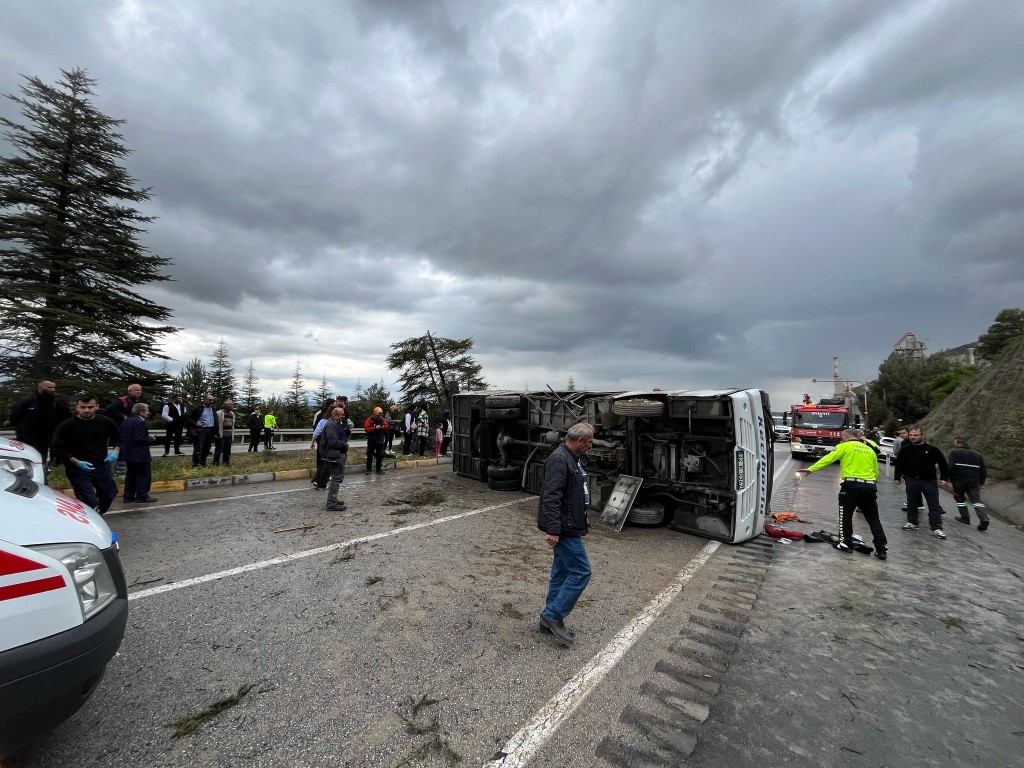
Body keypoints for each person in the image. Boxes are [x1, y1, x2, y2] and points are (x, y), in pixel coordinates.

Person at [537, 422, 595, 646]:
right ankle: (552, 616)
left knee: (561, 573)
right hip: (564, 527)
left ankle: (547, 618)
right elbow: (550, 496)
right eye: (589, 441)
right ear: (579, 440)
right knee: (581, 572)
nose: (591, 445)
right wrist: (553, 529)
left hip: (569, 525)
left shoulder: (572, 458)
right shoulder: (560, 459)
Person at [797, 429, 888, 559]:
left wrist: (811, 469)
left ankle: (846, 544)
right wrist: (870, 484)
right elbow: (875, 472)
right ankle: (881, 548)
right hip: (869, 486)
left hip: (851, 486)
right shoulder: (869, 450)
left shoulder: (844, 446)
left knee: (845, 516)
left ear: (845, 436)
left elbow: (829, 458)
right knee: (873, 518)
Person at [50, 393, 121, 514]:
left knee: (109, 494)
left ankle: (98, 514)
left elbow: (118, 437)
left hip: (101, 465)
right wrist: (76, 462)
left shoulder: (105, 422)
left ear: (97, 407)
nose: (86, 410)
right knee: (89, 500)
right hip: (77, 468)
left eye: (90, 407)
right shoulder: (67, 425)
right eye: (83, 407)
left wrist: (115, 451)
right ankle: (91, 517)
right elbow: (57, 448)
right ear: (76, 407)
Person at [893, 427, 950, 539]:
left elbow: (943, 464)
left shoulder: (933, 449)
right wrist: (897, 477)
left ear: (922, 436)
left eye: (916, 435)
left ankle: (937, 528)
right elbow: (899, 464)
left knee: (933, 505)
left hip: (929, 481)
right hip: (912, 480)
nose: (913, 437)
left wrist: (944, 478)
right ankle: (912, 522)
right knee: (911, 503)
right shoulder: (905, 449)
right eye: (911, 435)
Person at [9, 379, 71, 465]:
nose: (53, 390)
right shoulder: (28, 401)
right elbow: (15, 416)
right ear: (40, 387)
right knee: (28, 457)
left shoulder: (53, 402)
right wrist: (22, 430)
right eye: (49, 387)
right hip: (27, 436)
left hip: (44, 437)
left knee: (41, 458)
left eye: (54, 387)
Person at [947, 437, 989, 531]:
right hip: (974, 482)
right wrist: (981, 482)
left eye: (955, 443)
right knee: (976, 500)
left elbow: (950, 467)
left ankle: (965, 518)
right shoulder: (978, 454)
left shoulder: (954, 452)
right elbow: (983, 471)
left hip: (959, 481)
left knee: (959, 498)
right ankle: (984, 518)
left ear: (959, 443)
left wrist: (949, 478)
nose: (954, 444)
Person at [120, 402, 157, 502]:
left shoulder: (126, 421)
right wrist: (151, 439)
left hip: (128, 453)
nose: (148, 412)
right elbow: (139, 438)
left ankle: (128, 496)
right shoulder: (140, 422)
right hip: (140, 454)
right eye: (147, 410)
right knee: (143, 475)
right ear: (141, 412)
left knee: (131, 475)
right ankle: (142, 495)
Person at [319, 407, 349, 510]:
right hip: (334, 455)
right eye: (341, 415)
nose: (343, 417)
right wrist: (344, 445)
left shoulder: (335, 424)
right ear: (335, 415)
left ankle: (333, 499)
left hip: (335, 454)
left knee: (337, 478)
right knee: (336, 478)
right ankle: (331, 503)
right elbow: (333, 442)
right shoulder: (331, 425)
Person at [186, 393, 217, 467]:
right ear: (205, 400)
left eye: (213, 400)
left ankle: (203, 463)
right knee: (198, 448)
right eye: (210, 400)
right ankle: (196, 464)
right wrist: (195, 423)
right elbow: (185, 416)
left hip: (210, 429)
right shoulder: (197, 407)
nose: (212, 401)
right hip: (201, 430)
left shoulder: (212, 408)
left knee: (207, 448)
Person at [364, 406, 389, 475]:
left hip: (380, 439)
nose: (379, 416)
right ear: (374, 414)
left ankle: (378, 469)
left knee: (380, 455)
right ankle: (368, 470)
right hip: (371, 439)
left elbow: (387, 426)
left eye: (381, 415)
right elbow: (366, 429)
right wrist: (375, 428)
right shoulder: (369, 420)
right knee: (370, 454)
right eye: (378, 415)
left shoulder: (382, 419)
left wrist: (383, 427)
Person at [213, 400, 236, 466]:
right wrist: (216, 433)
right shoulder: (219, 413)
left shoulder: (232, 414)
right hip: (220, 435)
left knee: (227, 450)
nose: (232, 406)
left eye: (233, 405)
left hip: (229, 435)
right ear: (226, 406)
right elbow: (215, 424)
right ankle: (216, 463)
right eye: (231, 405)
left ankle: (226, 463)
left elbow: (233, 424)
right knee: (219, 450)